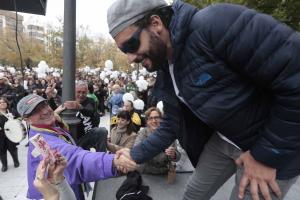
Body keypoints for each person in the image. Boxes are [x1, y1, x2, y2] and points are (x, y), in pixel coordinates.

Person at [107, 0, 300, 200]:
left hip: (274, 147)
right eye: (124, 51)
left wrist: (265, 156)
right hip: (224, 140)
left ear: (156, 23)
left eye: (131, 45)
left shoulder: (215, 23)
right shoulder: (166, 65)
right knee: (192, 196)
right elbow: (173, 122)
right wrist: (135, 154)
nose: (130, 58)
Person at [17, 94, 137, 200]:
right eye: (36, 111)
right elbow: (74, 159)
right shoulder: (43, 142)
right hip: (56, 193)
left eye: (44, 105)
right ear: (26, 119)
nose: (44, 111)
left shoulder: (42, 127)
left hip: (62, 185)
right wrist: (112, 161)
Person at [60, 81, 107, 152]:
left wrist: (79, 107)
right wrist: (51, 98)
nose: (81, 95)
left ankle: (102, 159)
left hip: (88, 135)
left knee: (102, 131)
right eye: (78, 92)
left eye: (84, 92)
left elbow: (90, 110)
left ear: (87, 92)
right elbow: (55, 110)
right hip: (72, 139)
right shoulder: (68, 101)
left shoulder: (90, 101)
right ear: (74, 91)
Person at [134, 107, 180, 175]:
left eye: (156, 117)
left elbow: (177, 157)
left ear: (161, 119)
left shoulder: (169, 133)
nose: (154, 121)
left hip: (164, 172)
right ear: (147, 121)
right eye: (150, 118)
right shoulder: (143, 133)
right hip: (146, 172)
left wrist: (173, 155)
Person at [0, 97, 20, 172]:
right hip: (1, 136)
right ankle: (4, 165)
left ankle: (16, 161)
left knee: (13, 148)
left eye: (4, 102)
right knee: (1, 151)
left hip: (11, 134)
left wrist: (15, 121)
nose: (2, 104)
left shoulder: (12, 111)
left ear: (7, 103)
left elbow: (20, 118)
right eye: (0, 102)